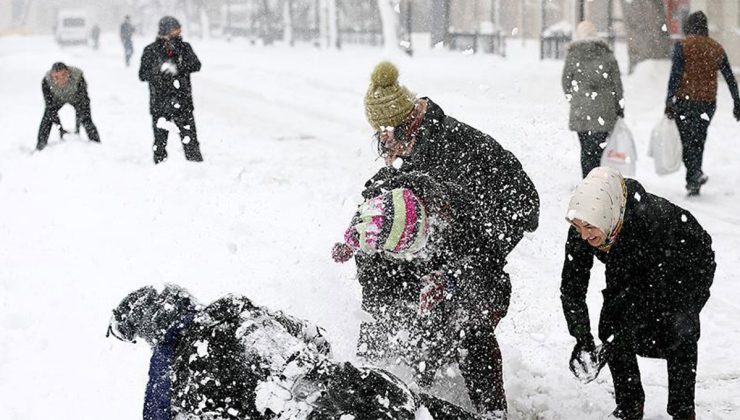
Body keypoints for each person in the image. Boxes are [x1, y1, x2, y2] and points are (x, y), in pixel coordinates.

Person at [347, 61, 539, 418]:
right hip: (437, 249)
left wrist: (467, 262)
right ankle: (397, 391)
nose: (384, 146)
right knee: (395, 317)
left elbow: (526, 209)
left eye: (385, 135)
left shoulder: (455, 152)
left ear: (406, 126)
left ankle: (490, 411)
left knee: (466, 323)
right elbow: (378, 222)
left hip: (478, 254)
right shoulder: (409, 158)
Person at [108, 285, 482, 420]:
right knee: (415, 406)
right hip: (363, 387)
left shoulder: (179, 386)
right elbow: (316, 338)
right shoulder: (234, 307)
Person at [560, 167, 715, 420]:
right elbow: (572, 287)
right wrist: (582, 337)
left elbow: (699, 259)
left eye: (589, 227)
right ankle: (630, 405)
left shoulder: (651, 220)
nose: (584, 235)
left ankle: (683, 410)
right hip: (634, 267)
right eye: (577, 227)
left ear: (607, 215)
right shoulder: (586, 222)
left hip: (683, 264)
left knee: (679, 330)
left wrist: (688, 307)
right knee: (611, 325)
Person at [665, 11, 740, 196]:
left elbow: (675, 76)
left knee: (687, 141)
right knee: (698, 139)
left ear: (689, 26)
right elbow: (730, 77)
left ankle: (694, 175)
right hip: (707, 103)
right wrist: (736, 101)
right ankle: (695, 177)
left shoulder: (682, 46)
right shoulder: (716, 48)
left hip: (685, 101)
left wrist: (669, 100)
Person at [561, 21, 625, 178]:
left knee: (585, 149)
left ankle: (587, 180)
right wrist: (619, 106)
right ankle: (597, 180)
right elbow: (617, 84)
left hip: (581, 110)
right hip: (604, 109)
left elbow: (566, 82)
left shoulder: (573, 54)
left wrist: (575, 98)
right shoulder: (607, 54)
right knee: (598, 150)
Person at [139, 16, 203, 164]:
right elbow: (142, 74)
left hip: (183, 102)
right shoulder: (151, 50)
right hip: (160, 104)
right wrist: (159, 71)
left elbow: (196, 65)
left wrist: (178, 68)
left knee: (190, 141)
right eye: (176, 29)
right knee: (160, 143)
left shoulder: (184, 47)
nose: (179, 32)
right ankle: (161, 171)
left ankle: (197, 170)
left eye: (179, 28)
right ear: (166, 30)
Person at [36, 62, 101, 151]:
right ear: (52, 76)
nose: (61, 80)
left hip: (76, 97)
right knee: (47, 117)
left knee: (86, 118)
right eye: (57, 77)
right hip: (57, 99)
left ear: (68, 72)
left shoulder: (78, 77)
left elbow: (83, 102)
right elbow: (50, 107)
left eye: (63, 75)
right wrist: (60, 128)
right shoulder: (46, 82)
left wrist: (77, 127)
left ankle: (96, 144)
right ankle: (40, 146)